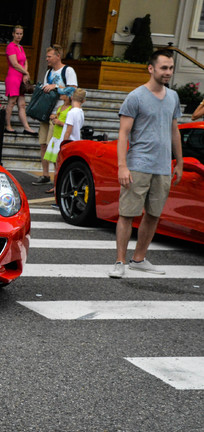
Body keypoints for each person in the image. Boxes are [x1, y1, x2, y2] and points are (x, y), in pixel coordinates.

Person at [108, 50, 183, 279]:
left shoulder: (173, 97)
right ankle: (120, 261)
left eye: (170, 68)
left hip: (162, 167)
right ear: (151, 68)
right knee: (127, 214)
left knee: (153, 215)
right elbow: (123, 133)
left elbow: (174, 130)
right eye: (164, 68)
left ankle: (139, 259)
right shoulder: (136, 97)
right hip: (138, 164)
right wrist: (122, 165)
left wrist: (179, 162)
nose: (168, 72)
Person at [32, 44, 77, 186]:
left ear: (58, 56)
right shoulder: (48, 73)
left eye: (49, 56)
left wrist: (56, 87)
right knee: (43, 143)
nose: (47, 59)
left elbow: (73, 90)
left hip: (59, 113)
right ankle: (45, 174)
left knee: (54, 146)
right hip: (46, 112)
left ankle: (57, 177)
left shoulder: (68, 71)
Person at [5, 25, 37, 135]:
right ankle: (8, 126)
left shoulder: (20, 47)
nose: (19, 36)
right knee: (12, 102)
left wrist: (25, 74)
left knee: (22, 104)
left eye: (21, 34)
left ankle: (26, 127)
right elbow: (14, 64)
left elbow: (25, 61)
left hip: (21, 76)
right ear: (13, 34)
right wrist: (26, 72)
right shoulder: (11, 46)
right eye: (17, 33)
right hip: (13, 76)